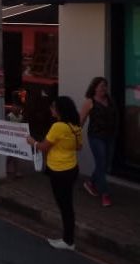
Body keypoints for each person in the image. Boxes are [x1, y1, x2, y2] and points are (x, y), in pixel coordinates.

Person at [27, 96, 83, 250]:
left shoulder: (58, 127)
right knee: (67, 205)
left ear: (60, 110)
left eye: (53, 107)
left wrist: (33, 142)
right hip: (72, 168)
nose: (51, 109)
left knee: (64, 205)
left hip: (59, 170)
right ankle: (68, 238)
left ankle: (68, 240)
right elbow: (79, 147)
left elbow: (44, 146)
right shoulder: (75, 127)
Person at [79, 77, 118, 207]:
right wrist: (75, 136)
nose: (104, 88)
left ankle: (90, 183)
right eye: (101, 86)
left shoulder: (110, 100)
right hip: (96, 137)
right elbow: (81, 120)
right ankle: (105, 194)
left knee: (105, 165)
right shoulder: (90, 102)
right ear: (94, 87)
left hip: (110, 136)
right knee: (101, 163)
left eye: (105, 86)